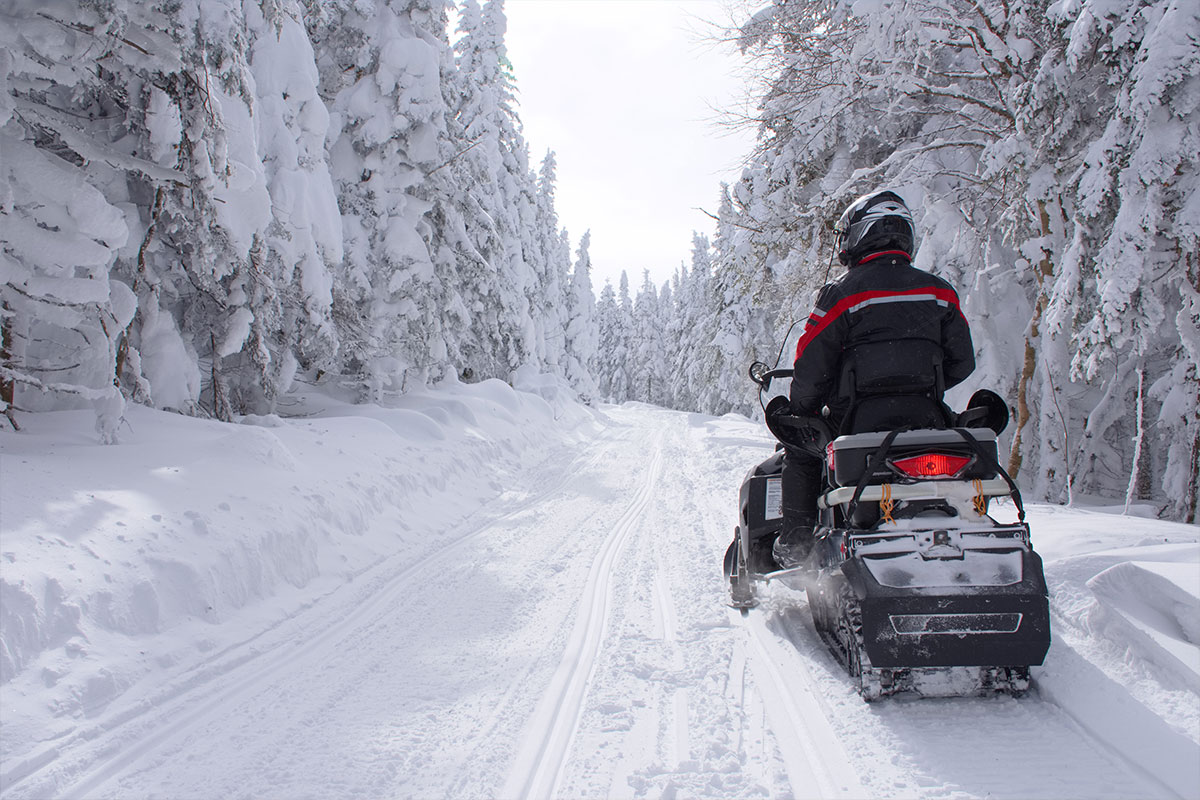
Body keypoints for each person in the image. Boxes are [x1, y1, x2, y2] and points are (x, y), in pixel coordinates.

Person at [772, 190, 976, 569]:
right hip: (927, 419)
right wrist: (921, 387)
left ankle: (796, 544)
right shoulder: (939, 291)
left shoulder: (842, 295)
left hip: (856, 422)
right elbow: (962, 362)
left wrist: (803, 409)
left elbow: (811, 363)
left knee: (799, 448)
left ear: (858, 236)